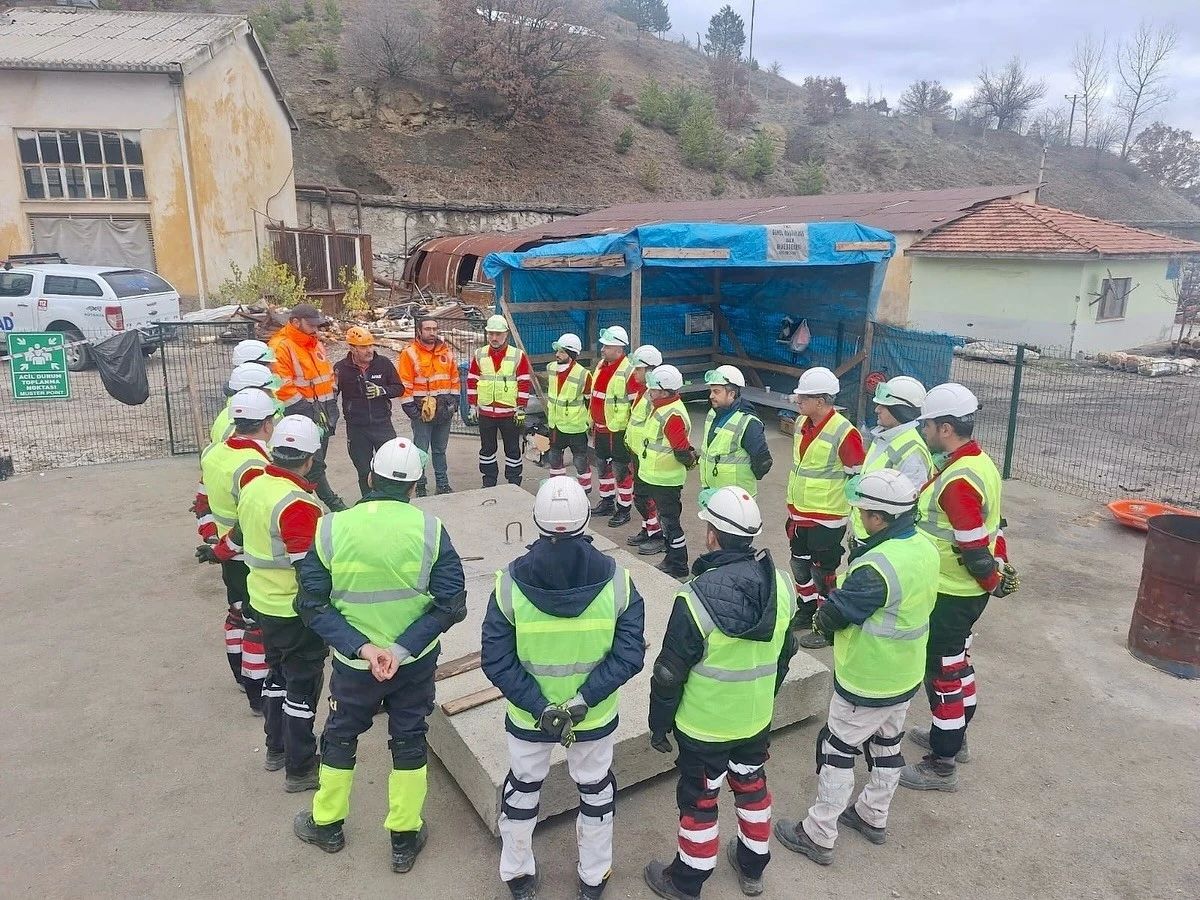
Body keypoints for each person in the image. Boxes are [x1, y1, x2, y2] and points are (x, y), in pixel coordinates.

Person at [292, 438, 467, 873]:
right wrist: (399, 649)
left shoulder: (333, 528)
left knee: (340, 736)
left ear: (370, 477)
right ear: (414, 487)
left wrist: (364, 648)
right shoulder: (430, 529)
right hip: (413, 662)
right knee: (408, 738)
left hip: (355, 665)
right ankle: (403, 839)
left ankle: (327, 823)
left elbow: (311, 604)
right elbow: (452, 602)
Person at [481, 477, 646, 900]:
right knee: (595, 790)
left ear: (536, 521)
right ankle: (593, 879)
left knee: (521, 789)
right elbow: (628, 656)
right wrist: (583, 700)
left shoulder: (507, 585)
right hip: (591, 718)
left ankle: (517, 876)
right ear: (586, 519)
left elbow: (496, 660)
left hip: (528, 718)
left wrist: (539, 707)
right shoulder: (620, 583)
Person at [774, 470, 939, 866]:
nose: (860, 517)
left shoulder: (876, 568)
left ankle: (818, 833)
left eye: (864, 511)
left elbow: (835, 615)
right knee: (886, 745)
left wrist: (821, 619)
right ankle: (872, 815)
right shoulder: (925, 546)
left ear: (880, 517)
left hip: (868, 677)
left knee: (838, 749)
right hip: (904, 674)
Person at [643, 487, 797, 900]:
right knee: (751, 786)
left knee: (700, 799)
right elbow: (785, 655)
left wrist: (658, 726)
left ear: (712, 535)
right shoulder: (783, 587)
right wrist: (767, 696)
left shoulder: (694, 598)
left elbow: (669, 675)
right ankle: (752, 866)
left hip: (703, 725)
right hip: (754, 721)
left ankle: (687, 880)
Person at [899, 383, 1019, 793]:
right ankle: (956, 737)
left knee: (943, 674)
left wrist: (991, 578)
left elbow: (973, 547)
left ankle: (942, 762)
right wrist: (994, 577)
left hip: (950, 592)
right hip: (964, 592)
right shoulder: (976, 462)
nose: (923, 431)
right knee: (959, 663)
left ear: (946, 427)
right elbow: (993, 528)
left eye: (928, 424)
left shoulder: (958, 481)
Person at [209, 415, 328, 790]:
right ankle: (300, 766)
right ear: (309, 459)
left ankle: (275, 748)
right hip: (294, 611)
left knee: (277, 679)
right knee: (303, 689)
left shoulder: (255, 486)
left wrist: (216, 552)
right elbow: (309, 571)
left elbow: (236, 540)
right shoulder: (297, 505)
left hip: (263, 602)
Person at [193, 388, 275, 714]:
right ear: (267, 424)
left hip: (226, 551)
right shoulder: (255, 465)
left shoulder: (214, 452)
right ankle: (257, 695)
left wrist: (211, 539)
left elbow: (202, 499)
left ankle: (241, 677)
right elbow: (250, 522)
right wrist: (222, 550)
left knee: (236, 613)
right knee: (256, 623)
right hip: (247, 554)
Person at [785, 367, 865, 649]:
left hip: (827, 517)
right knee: (799, 565)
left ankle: (827, 623)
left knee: (824, 572)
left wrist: (854, 518)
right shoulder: (800, 423)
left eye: (803, 398)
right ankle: (806, 610)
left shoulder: (845, 432)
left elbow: (856, 477)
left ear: (821, 401)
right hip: (799, 512)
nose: (798, 402)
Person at [269, 303, 348, 511]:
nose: (316, 329)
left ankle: (307, 501)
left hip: (321, 410)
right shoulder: (281, 346)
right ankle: (331, 502)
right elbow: (283, 385)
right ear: (295, 322)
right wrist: (306, 410)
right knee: (313, 463)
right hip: (302, 413)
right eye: (311, 325)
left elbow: (326, 374)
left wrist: (331, 402)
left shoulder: (314, 343)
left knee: (315, 462)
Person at [634, 365, 697, 578]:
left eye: (652, 389)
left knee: (670, 523)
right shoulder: (662, 407)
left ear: (664, 391)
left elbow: (681, 450)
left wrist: (690, 461)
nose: (649, 392)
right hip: (656, 476)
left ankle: (678, 564)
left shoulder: (671, 413)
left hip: (666, 479)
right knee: (666, 521)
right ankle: (672, 559)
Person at [334, 325, 404, 497]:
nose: (369, 350)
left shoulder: (383, 363)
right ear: (352, 348)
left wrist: (382, 391)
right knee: (364, 470)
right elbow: (332, 395)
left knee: (390, 465)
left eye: (371, 345)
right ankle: (368, 501)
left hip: (382, 425)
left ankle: (391, 500)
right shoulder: (341, 368)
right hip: (357, 429)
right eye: (364, 347)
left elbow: (399, 388)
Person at [398, 315, 460, 497]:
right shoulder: (409, 353)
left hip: (444, 411)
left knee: (440, 451)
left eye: (435, 329)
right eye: (428, 329)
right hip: (421, 411)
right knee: (420, 452)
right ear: (419, 331)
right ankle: (420, 486)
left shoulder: (446, 352)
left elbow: (455, 380)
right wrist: (412, 411)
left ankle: (442, 484)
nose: (432, 332)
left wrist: (454, 403)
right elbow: (405, 384)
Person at [468, 315, 533, 488]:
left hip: (509, 413)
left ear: (506, 335)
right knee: (487, 449)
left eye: (498, 334)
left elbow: (524, 382)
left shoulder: (517, 355)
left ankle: (514, 482)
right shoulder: (479, 354)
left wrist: (521, 408)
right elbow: (472, 380)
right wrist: (473, 405)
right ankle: (489, 481)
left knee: (512, 449)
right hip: (486, 412)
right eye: (491, 334)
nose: (494, 338)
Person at [698, 365, 772, 497]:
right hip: (712, 492)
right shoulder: (713, 413)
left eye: (716, 391)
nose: (711, 396)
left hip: (737, 499)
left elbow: (763, 462)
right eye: (711, 391)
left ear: (731, 394)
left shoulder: (748, 422)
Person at [588, 326, 636, 527]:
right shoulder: (601, 365)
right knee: (602, 466)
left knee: (621, 470)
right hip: (600, 427)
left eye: (607, 346)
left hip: (618, 430)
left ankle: (624, 509)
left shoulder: (628, 371)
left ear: (619, 349)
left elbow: (635, 403)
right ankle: (607, 501)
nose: (602, 349)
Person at [624, 345, 664, 553]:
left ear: (649, 370)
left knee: (647, 496)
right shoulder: (645, 393)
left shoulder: (653, 397)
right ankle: (647, 529)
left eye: (638, 369)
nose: (634, 373)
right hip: (638, 452)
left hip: (648, 455)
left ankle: (657, 534)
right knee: (640, 495)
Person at [545, 332, 594, 492]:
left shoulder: (583, 375)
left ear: (572, 354)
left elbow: (589, 401)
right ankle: (557, 489)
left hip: (576, 426)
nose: (557, 354)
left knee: (580, 461)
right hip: (555, 424)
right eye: (557, 350)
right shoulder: (551, 368)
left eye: (562, 351)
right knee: (554, 458)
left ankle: (584, 490)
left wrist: (590, 422)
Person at [209, 362, 281, 446]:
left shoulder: (225, 413)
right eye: (269, 390)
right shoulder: (266, 416)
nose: (272, 395)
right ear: (253, 392)